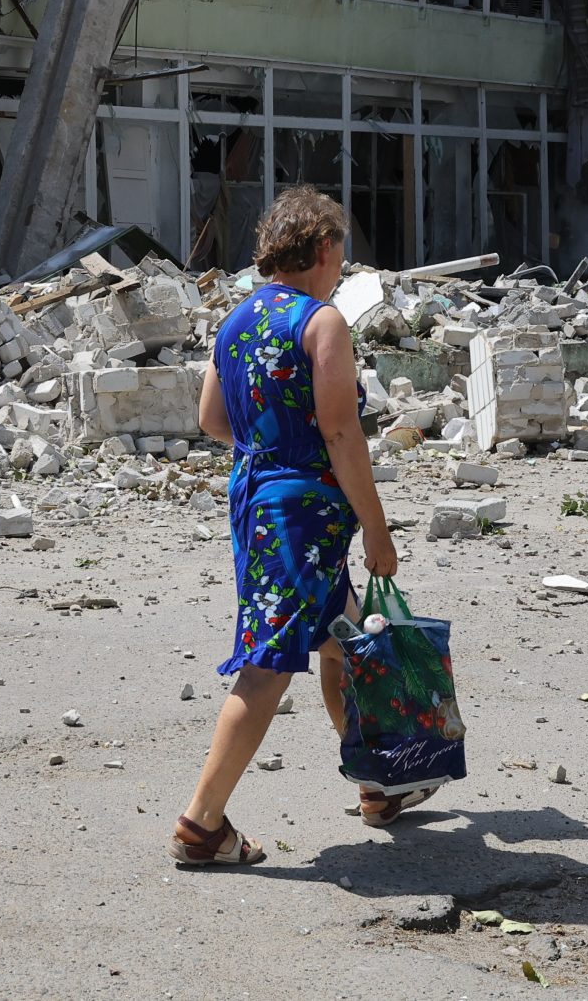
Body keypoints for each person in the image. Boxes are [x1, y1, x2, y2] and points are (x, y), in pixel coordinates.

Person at [170, 186, 421, 868]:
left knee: (342, 639)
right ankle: (201, 822)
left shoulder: (236, 323)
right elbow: (343, 431)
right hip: (304, 513)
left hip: (258, 505)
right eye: (340, 252)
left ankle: (377, 779)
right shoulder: (322, 323)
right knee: (268, 665)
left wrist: (271, 444)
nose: (342, 265)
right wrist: (377, 528)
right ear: (323, 248)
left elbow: (213, 421)